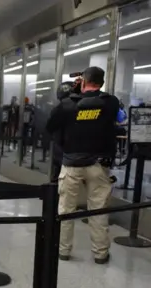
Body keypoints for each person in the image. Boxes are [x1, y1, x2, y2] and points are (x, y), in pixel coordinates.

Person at [46, 66, 119, 264]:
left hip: (71, 164)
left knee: (66, 210)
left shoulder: (67, 105)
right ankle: (100, 253)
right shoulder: (110, 102)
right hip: (99, 165)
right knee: (99, 210)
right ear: (102, 83)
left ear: (83, 82)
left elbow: (50, 126)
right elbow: (107, 113)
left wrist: (75, 93)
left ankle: (63, 251)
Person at [48, 81, 75, 182]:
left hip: (61, 149)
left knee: (58, 177)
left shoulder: (59, 109)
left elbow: (49, 128)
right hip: (77, 153)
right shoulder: (81, 107)